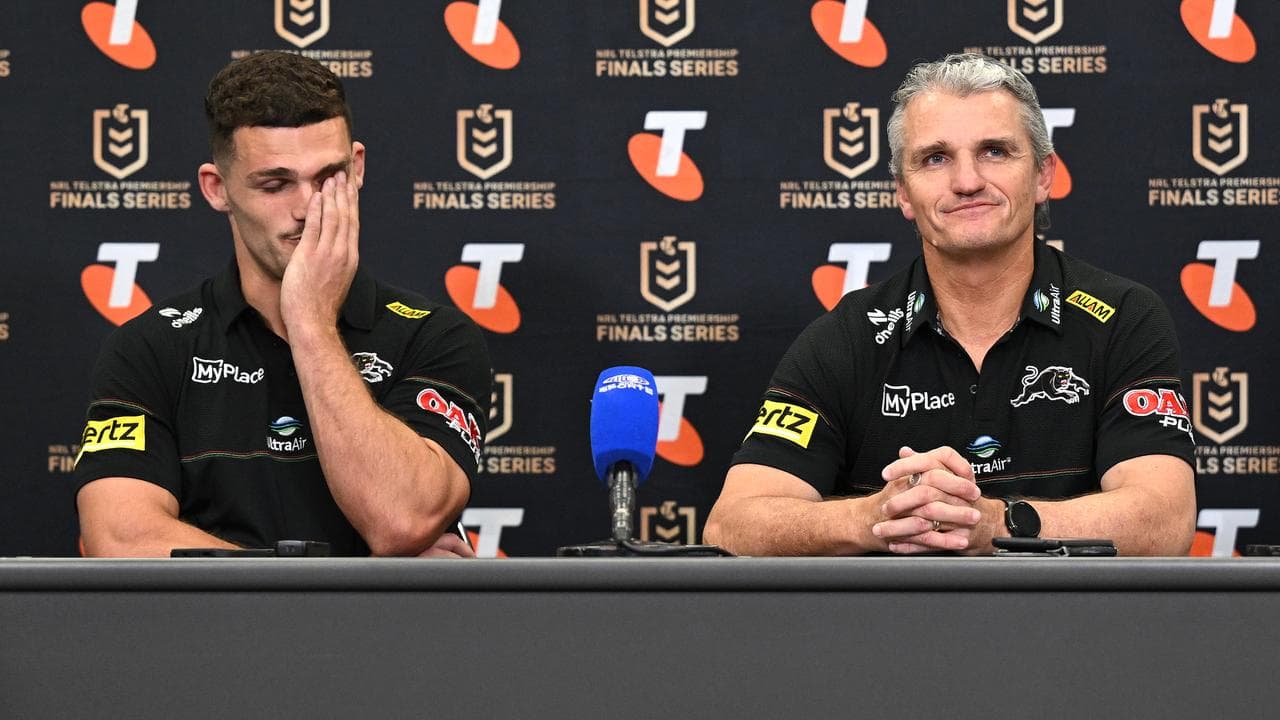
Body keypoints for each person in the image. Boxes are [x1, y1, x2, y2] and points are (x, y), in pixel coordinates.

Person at [704, 53, 1195, 556]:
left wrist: (994, 524)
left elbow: (1165, 522)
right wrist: (874, 516)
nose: (967, 182)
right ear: (903, 192)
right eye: (935, 158)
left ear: (1044, 175)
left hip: (1068, 632)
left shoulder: (1123, 318)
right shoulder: (848, 337)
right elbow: (732, 526)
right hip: (890, 634)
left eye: (995, 152)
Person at [74, 51, 490, 557]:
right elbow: (120, 537)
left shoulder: (435, 337)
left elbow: (401, 518)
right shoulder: (150, 347)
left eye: (328, 178)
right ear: (217, 188)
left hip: (386, 640)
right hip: (215, 637)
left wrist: (310, 320)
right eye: (275, 184)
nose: (306, 208)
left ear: (357, 168)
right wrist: (348, 580)